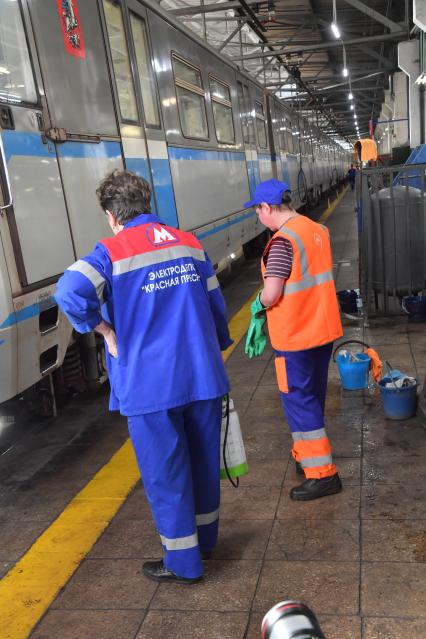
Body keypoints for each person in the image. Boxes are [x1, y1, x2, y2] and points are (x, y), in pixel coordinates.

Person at [55, 170, 232, 584]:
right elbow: (215, 303)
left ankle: (184, 562)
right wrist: (216, 343)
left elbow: (68, 291)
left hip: (151, 385)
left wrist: (104, 331)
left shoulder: (112, 251)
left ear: (112, 215)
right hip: (202, 374)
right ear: (147, 204)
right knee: (205, 463)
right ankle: (206, 541)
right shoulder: (189, 243)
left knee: (166, 472)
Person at [244, 179, 343, 501]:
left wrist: (257, 304)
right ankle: (307, 455)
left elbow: (272, 293)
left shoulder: (283, 242)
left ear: (267, 208)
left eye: (258, 210)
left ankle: (323, 474)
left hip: (296, 335)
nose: (258, 216)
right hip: (322, 329)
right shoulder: (315, 230)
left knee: (299, 401)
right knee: (311, 396)